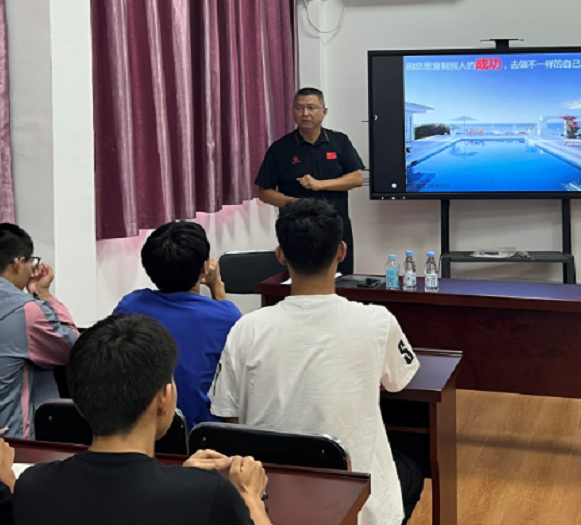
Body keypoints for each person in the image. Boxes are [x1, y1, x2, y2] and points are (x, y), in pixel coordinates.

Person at [209, 199, 423, 525]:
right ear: (341, 251)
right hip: (357, 504)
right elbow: (397, 382)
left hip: (267, 499)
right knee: (412, 470)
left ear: (281, 255)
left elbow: (229, 415)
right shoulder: (378, 321)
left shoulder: (246, 328)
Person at [14, 314, 272, 525]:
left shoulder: (32, 486)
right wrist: (250, 499)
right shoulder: (211, 494)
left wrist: (183, 480)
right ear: (164, 398)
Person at [114, 221, 241, 429]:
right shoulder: (226, 316)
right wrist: (217, 287)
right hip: (202, 435)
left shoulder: (129, 306)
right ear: (204, 268)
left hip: (141, 430)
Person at [255, 87, 364, 275]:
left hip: (335, 226)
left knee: (341, 279)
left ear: (324, 112)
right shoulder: (280, 148)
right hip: (297, 228)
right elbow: (264, 192)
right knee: (299, 280)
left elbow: (356, 178)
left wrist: (320, 184)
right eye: (299, 108)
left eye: (311, 107)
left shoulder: (339, 141)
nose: (305, 113)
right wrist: (297, 203)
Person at [0, 223, 79, 439]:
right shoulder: (26, 312)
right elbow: (73, 347)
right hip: (12, 443)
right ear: (18, 263)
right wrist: (43, 294)